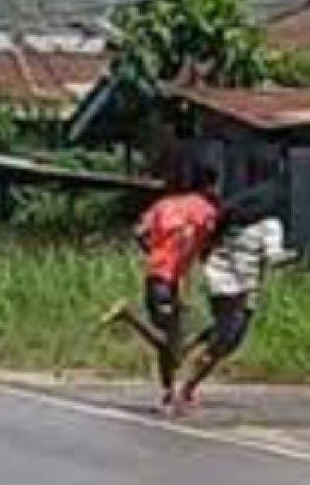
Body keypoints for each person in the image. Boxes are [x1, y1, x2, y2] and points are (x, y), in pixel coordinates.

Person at [101, 167, 220, 416]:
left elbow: (139, 232)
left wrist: (157, 252)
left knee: (170, 338)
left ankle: (169, 394)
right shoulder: (207, 210)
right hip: (174, 278)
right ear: (210, 186)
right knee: (172, 340)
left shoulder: (164, 204)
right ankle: (128, 316)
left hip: (156, 274)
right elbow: (209, 243)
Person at [176, 182, 293, 415]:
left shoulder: (230, 222)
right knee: (227, 341)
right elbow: (275, 257)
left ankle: (187, 347)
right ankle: (187, 387)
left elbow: (206, 246)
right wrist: (293, 256)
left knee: (223, 329)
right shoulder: (270, 225)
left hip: (218, 283)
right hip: (242, 288)